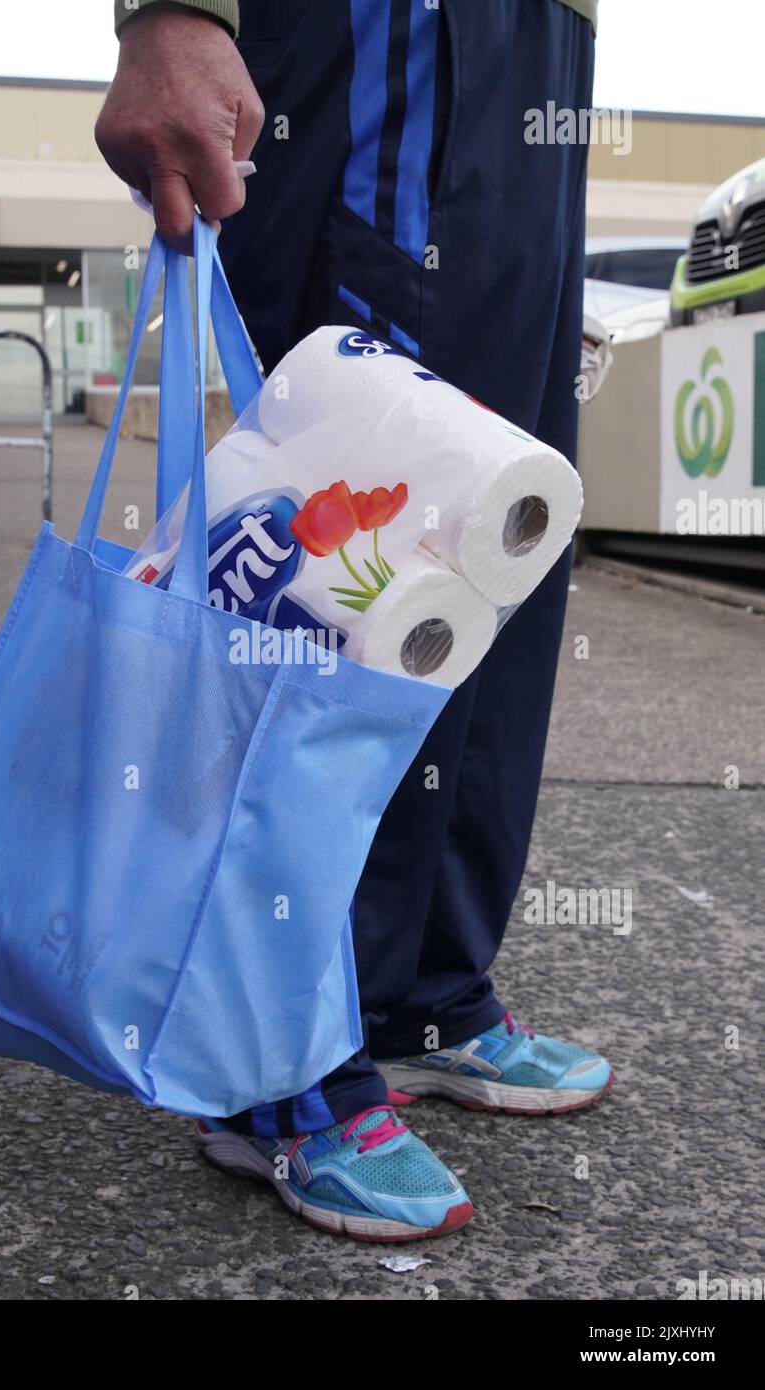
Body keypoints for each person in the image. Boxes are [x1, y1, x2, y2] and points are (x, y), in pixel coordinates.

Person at [96, 0, 611, 1243]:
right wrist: (175, 12)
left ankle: (421, 995)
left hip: (540, 57)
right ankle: (277, 1064)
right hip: (379, 29)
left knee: (491, 542)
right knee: (346, 571)